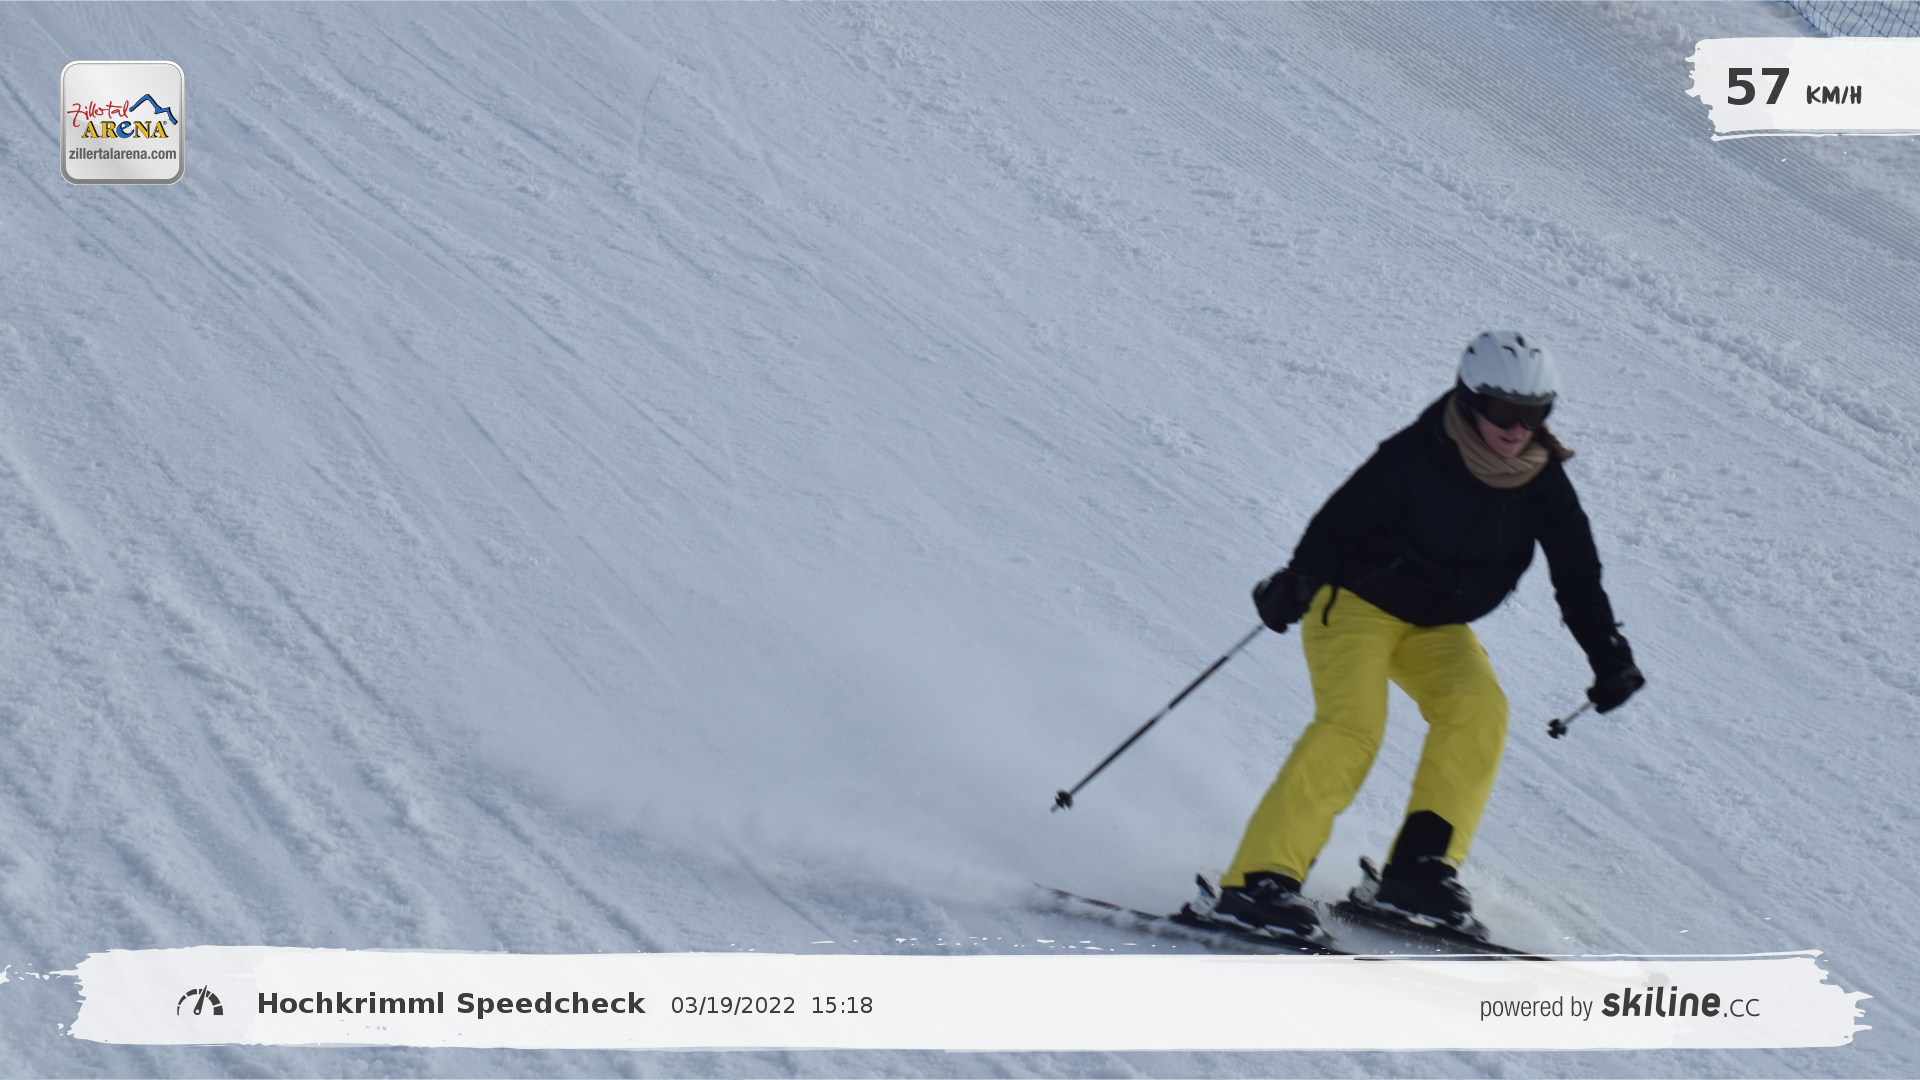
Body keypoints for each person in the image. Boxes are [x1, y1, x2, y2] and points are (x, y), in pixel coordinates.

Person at [1208, 331, 1644, 942]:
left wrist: (1607, 654)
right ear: (1470, 400)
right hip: (1356, 604)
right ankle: (1257, 883)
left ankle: (1417, 873)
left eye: (1534, 413)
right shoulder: (1418, 453)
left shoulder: (1541, 481)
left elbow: (1577, 576)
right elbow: (1341, 521)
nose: (1518, 428)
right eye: (1504, 411)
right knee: (1353, 727)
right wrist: (1300, 577)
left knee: (1479, 710)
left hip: (1435, 624)